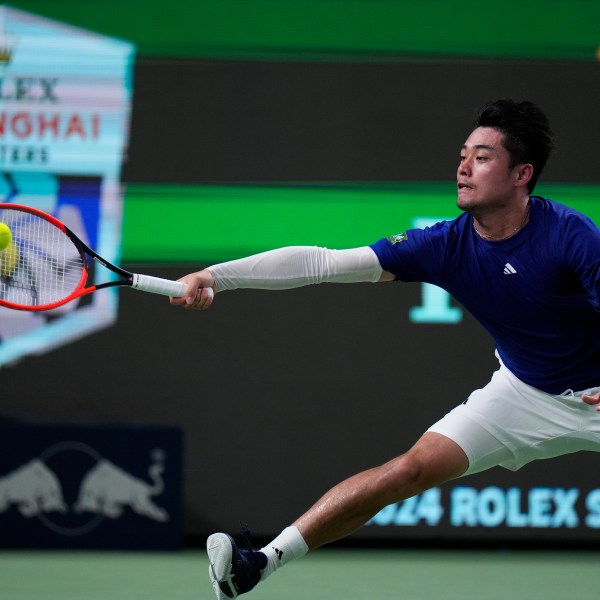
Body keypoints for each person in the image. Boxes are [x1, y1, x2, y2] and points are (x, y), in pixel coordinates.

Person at [170, 99, 600, 600]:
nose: (463, 167)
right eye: (463, 154)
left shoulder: (570, 235)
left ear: (522, 174)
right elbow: (321, 263)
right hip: (524, 393)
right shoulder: (443, 245)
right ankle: (258, 564)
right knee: (410, 468)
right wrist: (215, 277)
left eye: (482, 157)